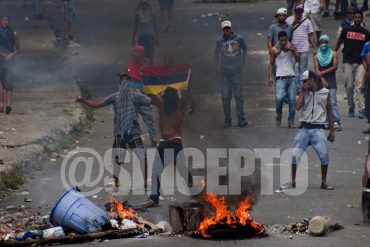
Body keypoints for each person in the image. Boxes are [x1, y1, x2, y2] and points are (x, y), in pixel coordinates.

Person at [76, 74, 149, 188]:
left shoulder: (125, 96)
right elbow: (150, 101)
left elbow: (97, 105)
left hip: (127, 132)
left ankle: (129, 182)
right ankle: (121, 181)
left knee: (130, 157)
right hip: (126, 132)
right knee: (128, 157)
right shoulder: (130, 96)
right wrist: (83, 100)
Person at [142, 86, 193, 207]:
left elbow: (186, 95)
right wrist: (147, 81)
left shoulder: (179, 108)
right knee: (157, 171)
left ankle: (196, 194)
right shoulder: (162, 106)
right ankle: (154, 197)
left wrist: (188, 79)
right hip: (164, 143)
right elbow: (152, 95)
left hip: (175, 143)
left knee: (182, 171)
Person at [291, 70, 335, 190]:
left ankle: (323, 182)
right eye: (303, 81)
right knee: (294, 154)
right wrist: (302, 92)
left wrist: (331, 130)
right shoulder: (303, 92)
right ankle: (293, 180)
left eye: (306, 81)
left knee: (324, 155)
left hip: (318, 128)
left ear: (313, 79)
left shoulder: (325, 92)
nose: (304, 83)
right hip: (304, 128)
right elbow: (298, 107)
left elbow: (330, 110)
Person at [335, 10, 370, 118]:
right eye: (356, 17)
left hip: (360, 62)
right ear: (353, 18)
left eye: (360, 17)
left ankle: (361, 109)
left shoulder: (366, 33)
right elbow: (339, 41)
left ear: (362, 18)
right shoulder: (346, 30)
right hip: (347, 62)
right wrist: (333, 53)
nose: (358, 19)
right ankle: (351, 107)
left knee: (359, 86)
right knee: (349, 86)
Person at [214, 20, 247, 128]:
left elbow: (244, 49)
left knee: (239, 96)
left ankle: (241, 120)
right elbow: (216, 53)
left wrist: (243, 61)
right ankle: (227, 120)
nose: (227, 30)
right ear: (222, 30)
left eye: (228, 28)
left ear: (231, 29)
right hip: (225, 72)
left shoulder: (239, 38)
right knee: (225, 96)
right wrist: (218, 66)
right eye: (225, 29)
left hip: (236, 71)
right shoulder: (219, 41)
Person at [268, 31, 300, 128]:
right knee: (279, 97)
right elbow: (271, 64)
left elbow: (299, 59)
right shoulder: (274, 49)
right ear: (278, 40)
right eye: (281, 40)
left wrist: (292, 50)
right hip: (280, 77)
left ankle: (291, 121)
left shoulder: (292, 47)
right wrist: (270, 77)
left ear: (287, 39)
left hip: (291, 77)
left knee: (292, 100)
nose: (283, 42)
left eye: (284, 40)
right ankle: (279, 115)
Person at [287, 4, 317, 93]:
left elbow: (310, 35)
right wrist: (293, 24)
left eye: (300, 12)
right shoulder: (288, 20)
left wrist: (315, 48)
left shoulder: (307, 21)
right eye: (297, 12)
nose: (298, 14)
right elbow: (286, 33)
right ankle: (290, 88)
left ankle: (300, 89)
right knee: (289, 69)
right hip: (292, 49)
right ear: (294, 11)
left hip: (304, 49)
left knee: (302, 70)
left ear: (302, 11)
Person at [313, 35, 341, 130]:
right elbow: (316, 70)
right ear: (319, 44)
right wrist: (322, 79)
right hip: (320, 81)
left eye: (325, 42)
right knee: (322, 102)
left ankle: (335, 121)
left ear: (328, 43)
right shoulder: (316, 55)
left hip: (331, 80)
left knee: (332, 102)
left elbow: (335, 67)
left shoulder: (334, 53)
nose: (323, 44)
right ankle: (324, 121)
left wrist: (322, 73)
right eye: (321, 42)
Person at [0, 15, 20, 114]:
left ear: (8, 21)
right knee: (1, 83)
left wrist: (11, 54)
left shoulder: (13, 33)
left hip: (10, 61)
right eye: (3, 20)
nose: (4, 22)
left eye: (6, 20)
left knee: (8, 82)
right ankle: (1, 104)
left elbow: (18, 49)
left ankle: (9, 105)